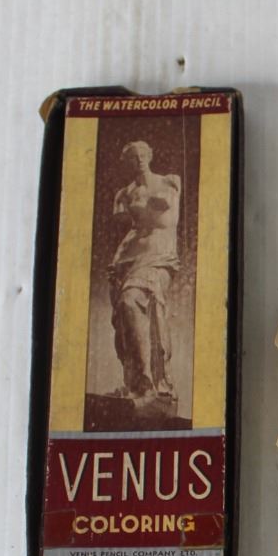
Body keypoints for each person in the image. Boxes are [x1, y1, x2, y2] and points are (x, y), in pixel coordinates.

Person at [108, 140, 181, 405]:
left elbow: (165, 216)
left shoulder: (170, 181)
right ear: (127, 163)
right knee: (125, 315)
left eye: (142, 154)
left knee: (134, 302)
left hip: (159, 256)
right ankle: (137, 384)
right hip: (127, 259)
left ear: (150, 155)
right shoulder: (124, 194)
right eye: (133, 156)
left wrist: (142, 205)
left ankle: (153, 382)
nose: (139, 159)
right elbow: (128, 226)